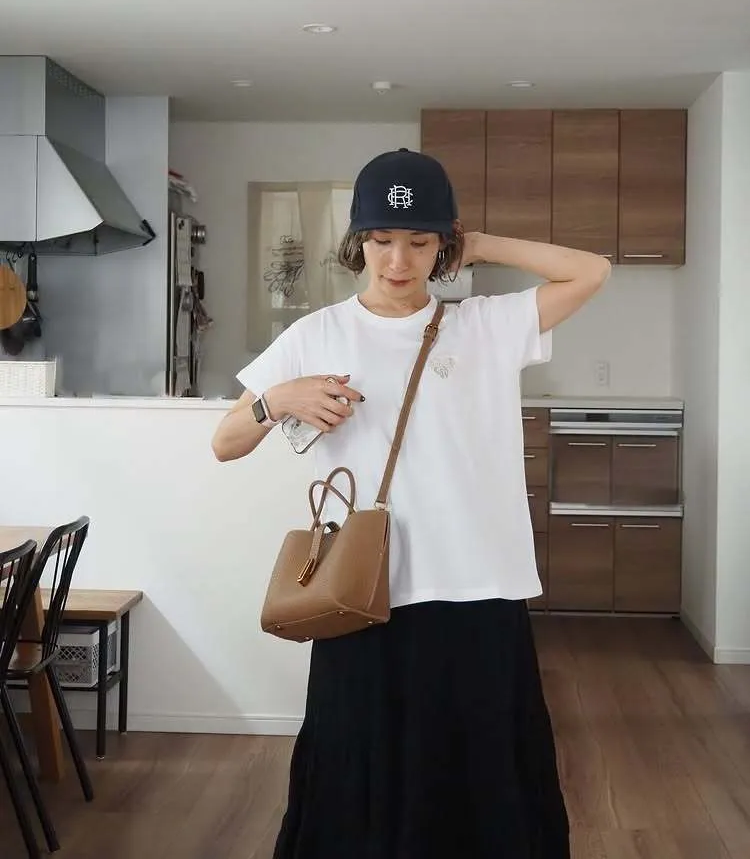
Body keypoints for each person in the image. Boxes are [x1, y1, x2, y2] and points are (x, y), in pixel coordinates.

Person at [212, 147, 610, 859]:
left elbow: (592, 271)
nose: (398, 261)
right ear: (358, 242)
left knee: (483, 775)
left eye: (420, 242)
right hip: (365, 592)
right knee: (358, 770)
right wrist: (278, 399)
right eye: (381, 240)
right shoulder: (316, 334)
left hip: (479, 586)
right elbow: (225, 443)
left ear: (443, 245)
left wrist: (480, 244)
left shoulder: (486, 325)